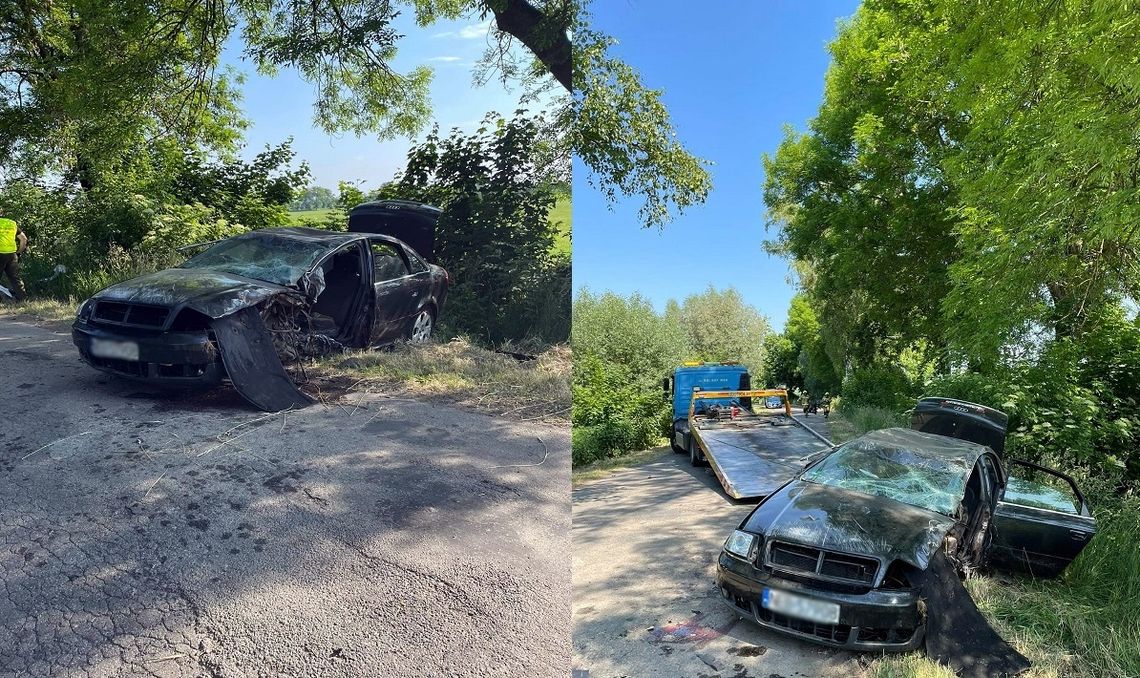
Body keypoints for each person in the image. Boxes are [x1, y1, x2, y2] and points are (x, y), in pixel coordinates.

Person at [0, 215, 27, 302]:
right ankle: (22, 299)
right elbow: (24, 239)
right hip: (12, 254)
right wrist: (19, 251)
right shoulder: (11, 223)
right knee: (15, 277)